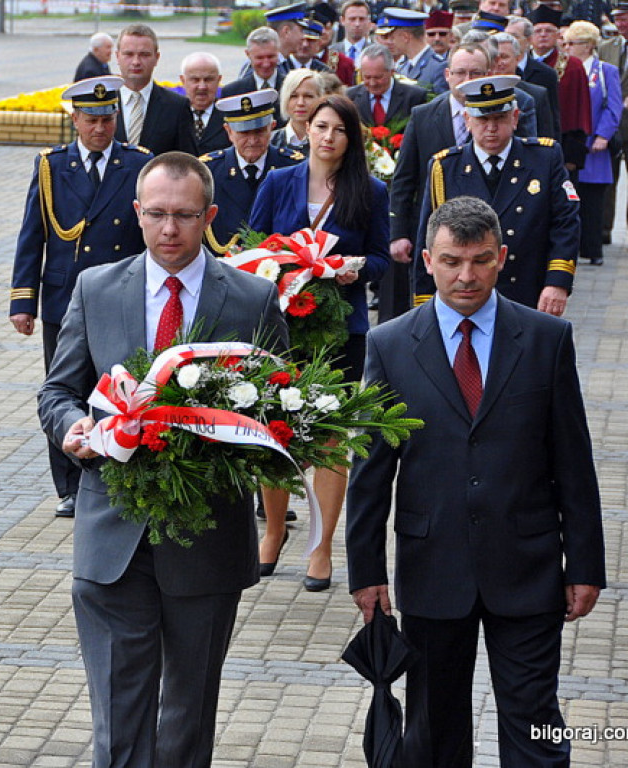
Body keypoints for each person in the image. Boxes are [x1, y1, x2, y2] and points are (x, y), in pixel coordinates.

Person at [38, 151, 290, 768]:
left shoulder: (253, 297)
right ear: (137, 212)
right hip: (112, 533)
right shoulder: (97, 288)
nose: (169, 229)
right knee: (118, 713)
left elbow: (281, 406)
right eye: (156, 214)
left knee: (187, 715)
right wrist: (74, 429)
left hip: (207, 535)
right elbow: (58, 391)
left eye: (184, 216)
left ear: (210, 216)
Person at [347, 195, 605, 768]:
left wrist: (585, 565)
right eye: (451, 261)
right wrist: (366, 573)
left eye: (481, 260)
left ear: (502, 257)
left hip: (529, 568)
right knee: (433, 732)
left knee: (536, 729)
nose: (466, 276)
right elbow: (370, 471)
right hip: (432, 570)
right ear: (428, 262)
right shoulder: (390, 344)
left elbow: (574, 462)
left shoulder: (546, 339)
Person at [249, 95, 390, 588]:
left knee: (331, 437)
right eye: (321, 126)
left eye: (340, 130)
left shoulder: (369, 190)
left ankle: (322, 546)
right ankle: (272, 533)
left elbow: (380, 258)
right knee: (274, 430)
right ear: (305, 128)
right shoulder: (277, 181)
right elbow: (253, 244)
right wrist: (281, 262)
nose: (328, 137)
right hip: (281, 327)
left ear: (352, 139)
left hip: (340, 329)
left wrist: (352, 269)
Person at [10, 76, 151, 520]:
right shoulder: (52, 166)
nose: (100, 128)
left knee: (119, 386)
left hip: (119, 295)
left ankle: (118, 472)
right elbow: (33, 233)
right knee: (63, 390)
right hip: (65, 298)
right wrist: (23, 301)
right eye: (91, 120)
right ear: (75, 119)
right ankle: (69, 485)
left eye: (107, 119)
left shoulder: (137, 163)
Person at [387, 42, 535, 323]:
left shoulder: (517, 111)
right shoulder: (423, 115)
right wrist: (398, 232)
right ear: (448, 75)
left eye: (475, 73)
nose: (467, 79)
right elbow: (405, 179)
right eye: (460, 72)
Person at [413, 75, 580, 316]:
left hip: (527, 291)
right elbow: (429, 238)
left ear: (515, 118)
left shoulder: (544, 158)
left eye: (499, 118)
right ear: (467, 120)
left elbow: (565, 223)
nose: (491, 128)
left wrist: (557, 282)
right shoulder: (446, 167)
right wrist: (424, 301)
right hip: (465, 293)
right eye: (482, 119)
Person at [202, 88, 305, 253]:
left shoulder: (293, 167)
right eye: (244, 133)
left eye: (259, 131)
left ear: (272, 127)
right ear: (229, 131)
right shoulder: (208, 171)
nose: (252, 140)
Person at [566, 20, 622, 265]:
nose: (567, 47)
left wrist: (603, 135)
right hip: (574, 143)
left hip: (595, 145)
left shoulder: (605, 71)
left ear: (588, 45)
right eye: (566, 43)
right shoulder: (565, 68)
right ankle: (572, 248)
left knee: (593, 198)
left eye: (572, 43)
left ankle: (593, 248)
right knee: (571, 197)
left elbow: (613, 106)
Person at [113, 24, 195, 155]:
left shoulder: (177, 107)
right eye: (129, 54)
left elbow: (187, 161)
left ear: (156, 58)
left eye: (144, 55)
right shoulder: (104, 102)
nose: (136, 62)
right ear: (117, 56)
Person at [529, 4, 593, 170]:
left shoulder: (573, 66)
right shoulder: (520, 64)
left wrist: (573, 155)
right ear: (530, 36)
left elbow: (580, 111)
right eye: (538, 31)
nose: (543, 35)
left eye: (549, 31)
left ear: (558, 35)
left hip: (563, 145)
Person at [597, 1, 628, 243]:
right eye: (618, 18)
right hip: (611, 123)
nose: (621, 23)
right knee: (607, 178)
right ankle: (603, 231)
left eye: (625, 18)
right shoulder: (606, 46)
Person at [491, 31, 558, 139]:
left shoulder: (537, 94)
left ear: (517, 59)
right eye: (494, 57)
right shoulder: (478, 91)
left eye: (504, 57)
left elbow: (547, 137)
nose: (499, 62)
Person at [345, 44, 428, 128]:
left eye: (378, 77)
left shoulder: (415, 97)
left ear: (392, 72)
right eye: (367, 77)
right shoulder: (350, 97)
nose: (372, 83)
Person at [221, 26, 286, 126]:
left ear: (278, 52)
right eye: (259, 58)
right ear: (248, 54)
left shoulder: (292, 88)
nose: (266, 64)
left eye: (270, 57)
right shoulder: (232, 92)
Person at [376, 8, 449, 94]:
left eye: (393, 37)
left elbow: (441, 100)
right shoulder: (402, 66)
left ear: (405, 37)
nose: (391, 42)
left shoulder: (438, 67)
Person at [180, 51, 229, 155]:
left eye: (208, 80)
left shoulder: (229, 115)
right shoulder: (172, 114)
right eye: (195, 80)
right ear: (183, 80)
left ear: (219, 80)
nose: (202, 87)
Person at [270, 67, 326, 151]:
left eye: (308, 96)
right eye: (294, 96)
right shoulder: (270, 142)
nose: (300, 103)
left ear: (320, 99)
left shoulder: (327, 141)